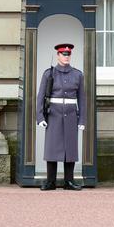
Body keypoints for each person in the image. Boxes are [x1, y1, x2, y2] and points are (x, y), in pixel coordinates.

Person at [36, 42, 86, 190]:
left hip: (71, 114)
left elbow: (82, 99)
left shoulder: (78, 74)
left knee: (70, 148)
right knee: (52, 148)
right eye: (63, 54)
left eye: (68, 54)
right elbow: (40, 97)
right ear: (58, 55)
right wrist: (40, 117)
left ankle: (68, 181)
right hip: (54, 114)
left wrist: (82, 119)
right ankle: (51, 181)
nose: (66, 56)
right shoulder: (49, 73)